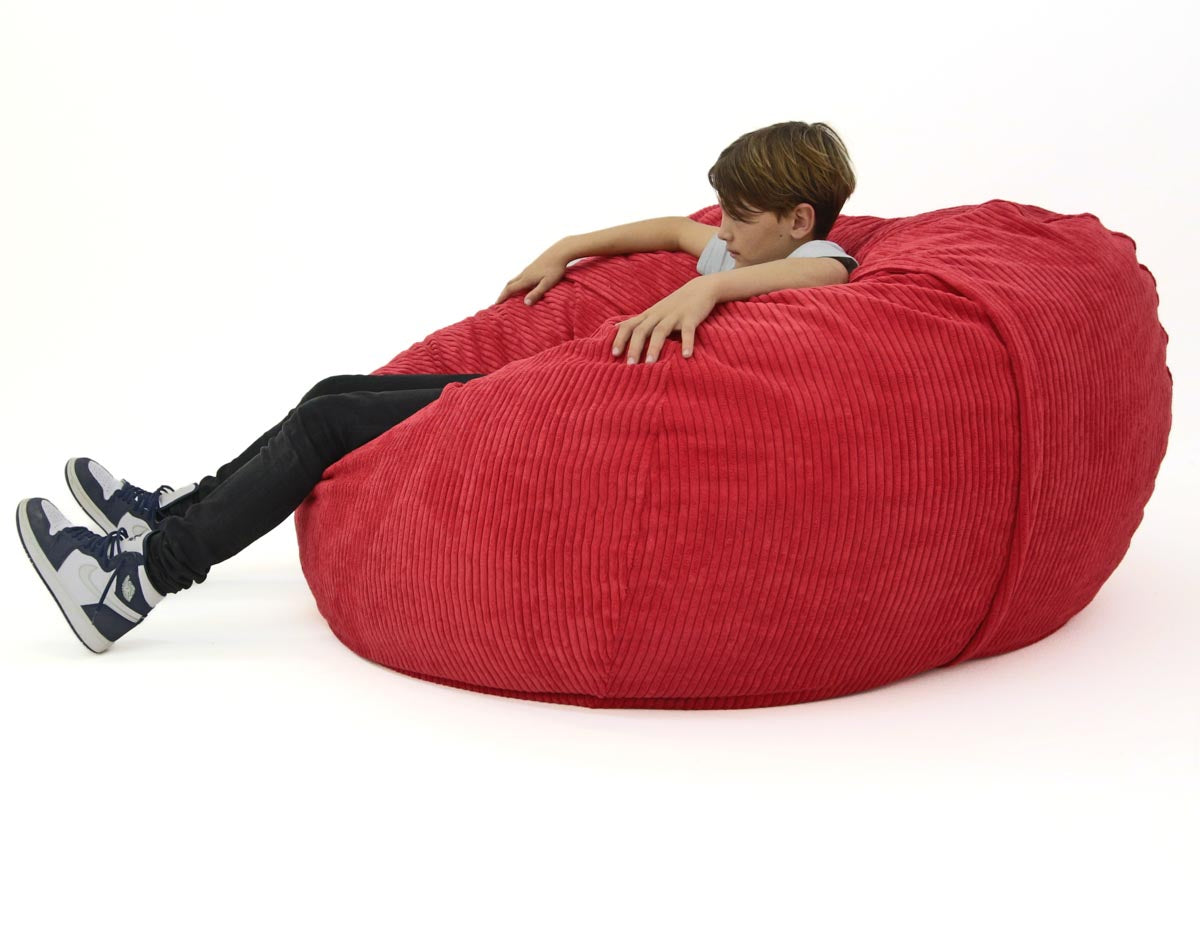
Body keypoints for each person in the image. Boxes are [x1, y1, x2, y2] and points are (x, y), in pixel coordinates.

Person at [16, 119, 859, 654]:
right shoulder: (738, 245)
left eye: (742, 217)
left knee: (328, 425)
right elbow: (680, 228)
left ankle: (137, 582)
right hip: (557, 385)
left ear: (797, 220)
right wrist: (569, 244)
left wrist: (705, 290)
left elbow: (811, 282)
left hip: (568, 416)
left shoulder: (821, 265)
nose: (723, 232)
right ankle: (163, 514)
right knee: (330, 395)